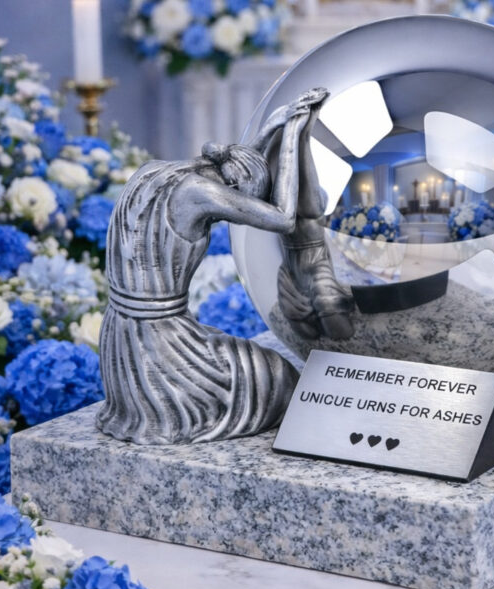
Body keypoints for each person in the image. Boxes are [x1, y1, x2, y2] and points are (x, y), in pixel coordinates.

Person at [97, 89, 328, 445]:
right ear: (231, 188)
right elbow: (283, 218)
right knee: (277, 377)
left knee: (232, 347)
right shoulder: (199, 192)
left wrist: (273, 125)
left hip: (119, 343)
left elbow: (236, 166)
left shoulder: (153, 172)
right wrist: (292, 138)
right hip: (160, 350)